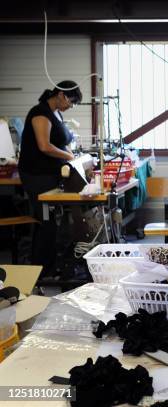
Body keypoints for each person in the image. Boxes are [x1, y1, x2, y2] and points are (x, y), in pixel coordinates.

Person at [18, 81, 82, 277]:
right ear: (61, 95)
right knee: (46, 220)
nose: (70, 106)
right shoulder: (40, 113)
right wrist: (68, 157)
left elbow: (62, 143)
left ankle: (49, 265)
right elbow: (44, 146)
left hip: (50, 174)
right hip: (36, 175)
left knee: (52, 221)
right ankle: (42, 269)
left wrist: (74, 157)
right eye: (71, 102)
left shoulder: (56, 114)